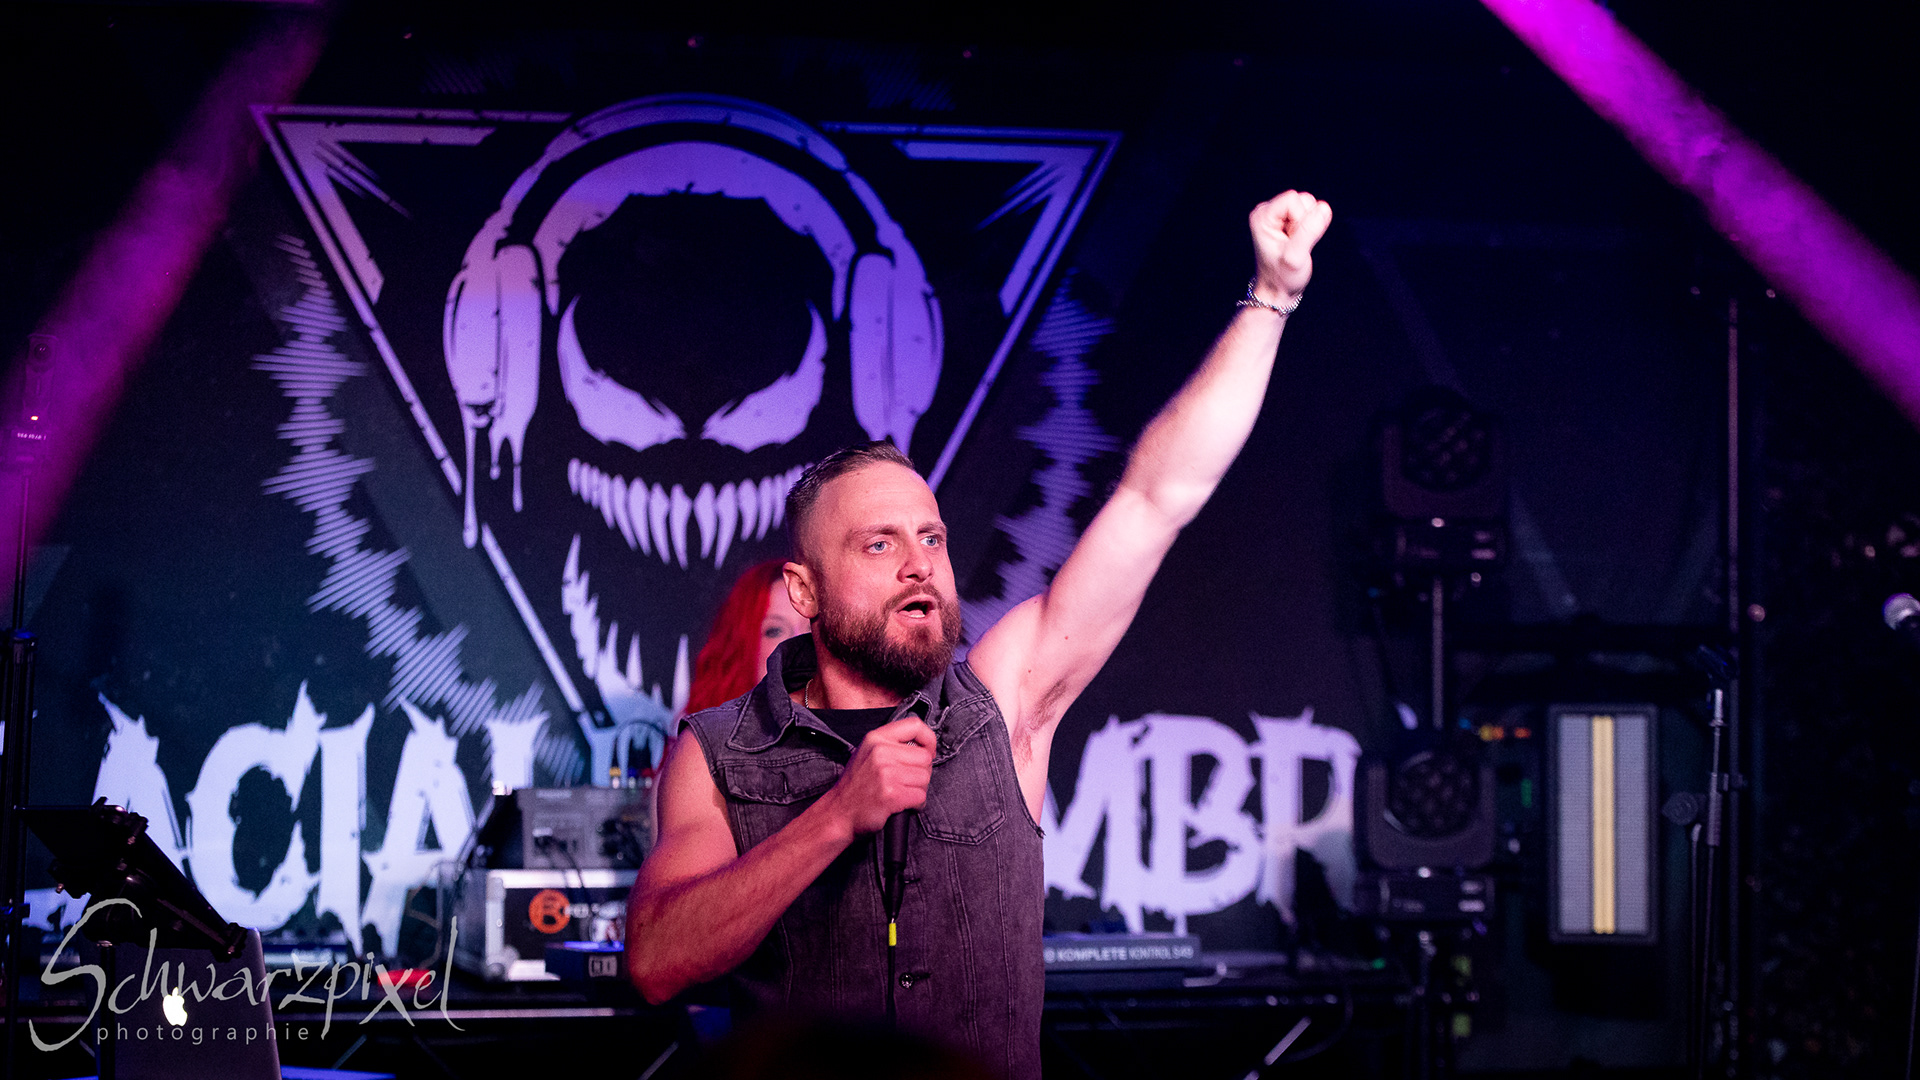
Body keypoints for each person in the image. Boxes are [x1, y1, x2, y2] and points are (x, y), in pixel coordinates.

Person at [625, 191, 1333, 1078]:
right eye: (879, 545)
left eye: (932, 539)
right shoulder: (720, 751)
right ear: (804, 591)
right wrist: (836, 818)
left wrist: (1271, 299)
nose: (919, 565)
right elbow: (657, 963)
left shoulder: (1005, 700)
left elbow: (1155, 500)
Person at [682, 559, 813, 717]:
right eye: (775, 631)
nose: (798, 641)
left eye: (811, 628)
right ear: (742, 648)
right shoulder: (707, 730)